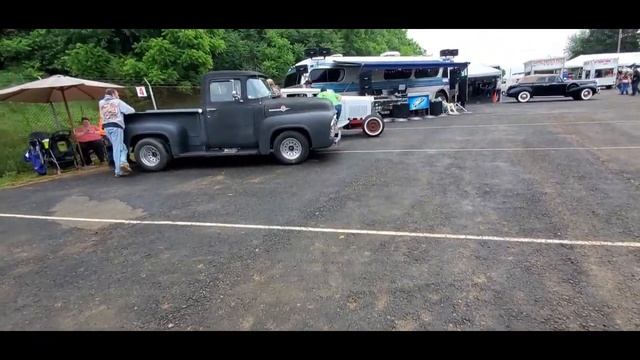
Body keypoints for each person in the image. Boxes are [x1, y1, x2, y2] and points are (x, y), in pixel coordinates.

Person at [99, 88, 135, 177]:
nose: (118, 95)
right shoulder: (117, 101)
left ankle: (123, 162)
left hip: (106, 127)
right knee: (117, 148)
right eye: (117, 94)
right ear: (113, 94)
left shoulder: (101, 103)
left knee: (122, 147)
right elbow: (131, 110)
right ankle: (118, 170)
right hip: (116, 126)